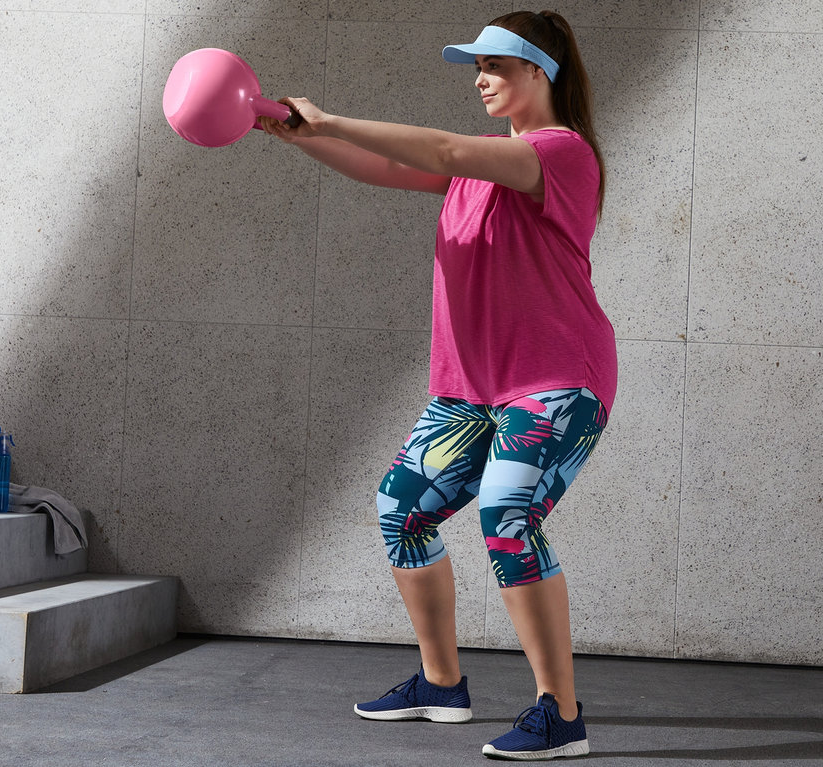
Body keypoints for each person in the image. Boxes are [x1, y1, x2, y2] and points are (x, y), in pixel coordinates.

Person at [262, 9, 616, 761]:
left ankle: (561, 713)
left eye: (495, 67)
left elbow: (442, 147)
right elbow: (390, 166)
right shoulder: (481, 160)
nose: (481, 80)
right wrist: (307, 140)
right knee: (402, 506)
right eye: (476, 68)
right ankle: (440, 683)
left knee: (507, 508)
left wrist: (332, 116)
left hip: (555, 380)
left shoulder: (561, 154)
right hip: (472, 389)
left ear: (538, 73)